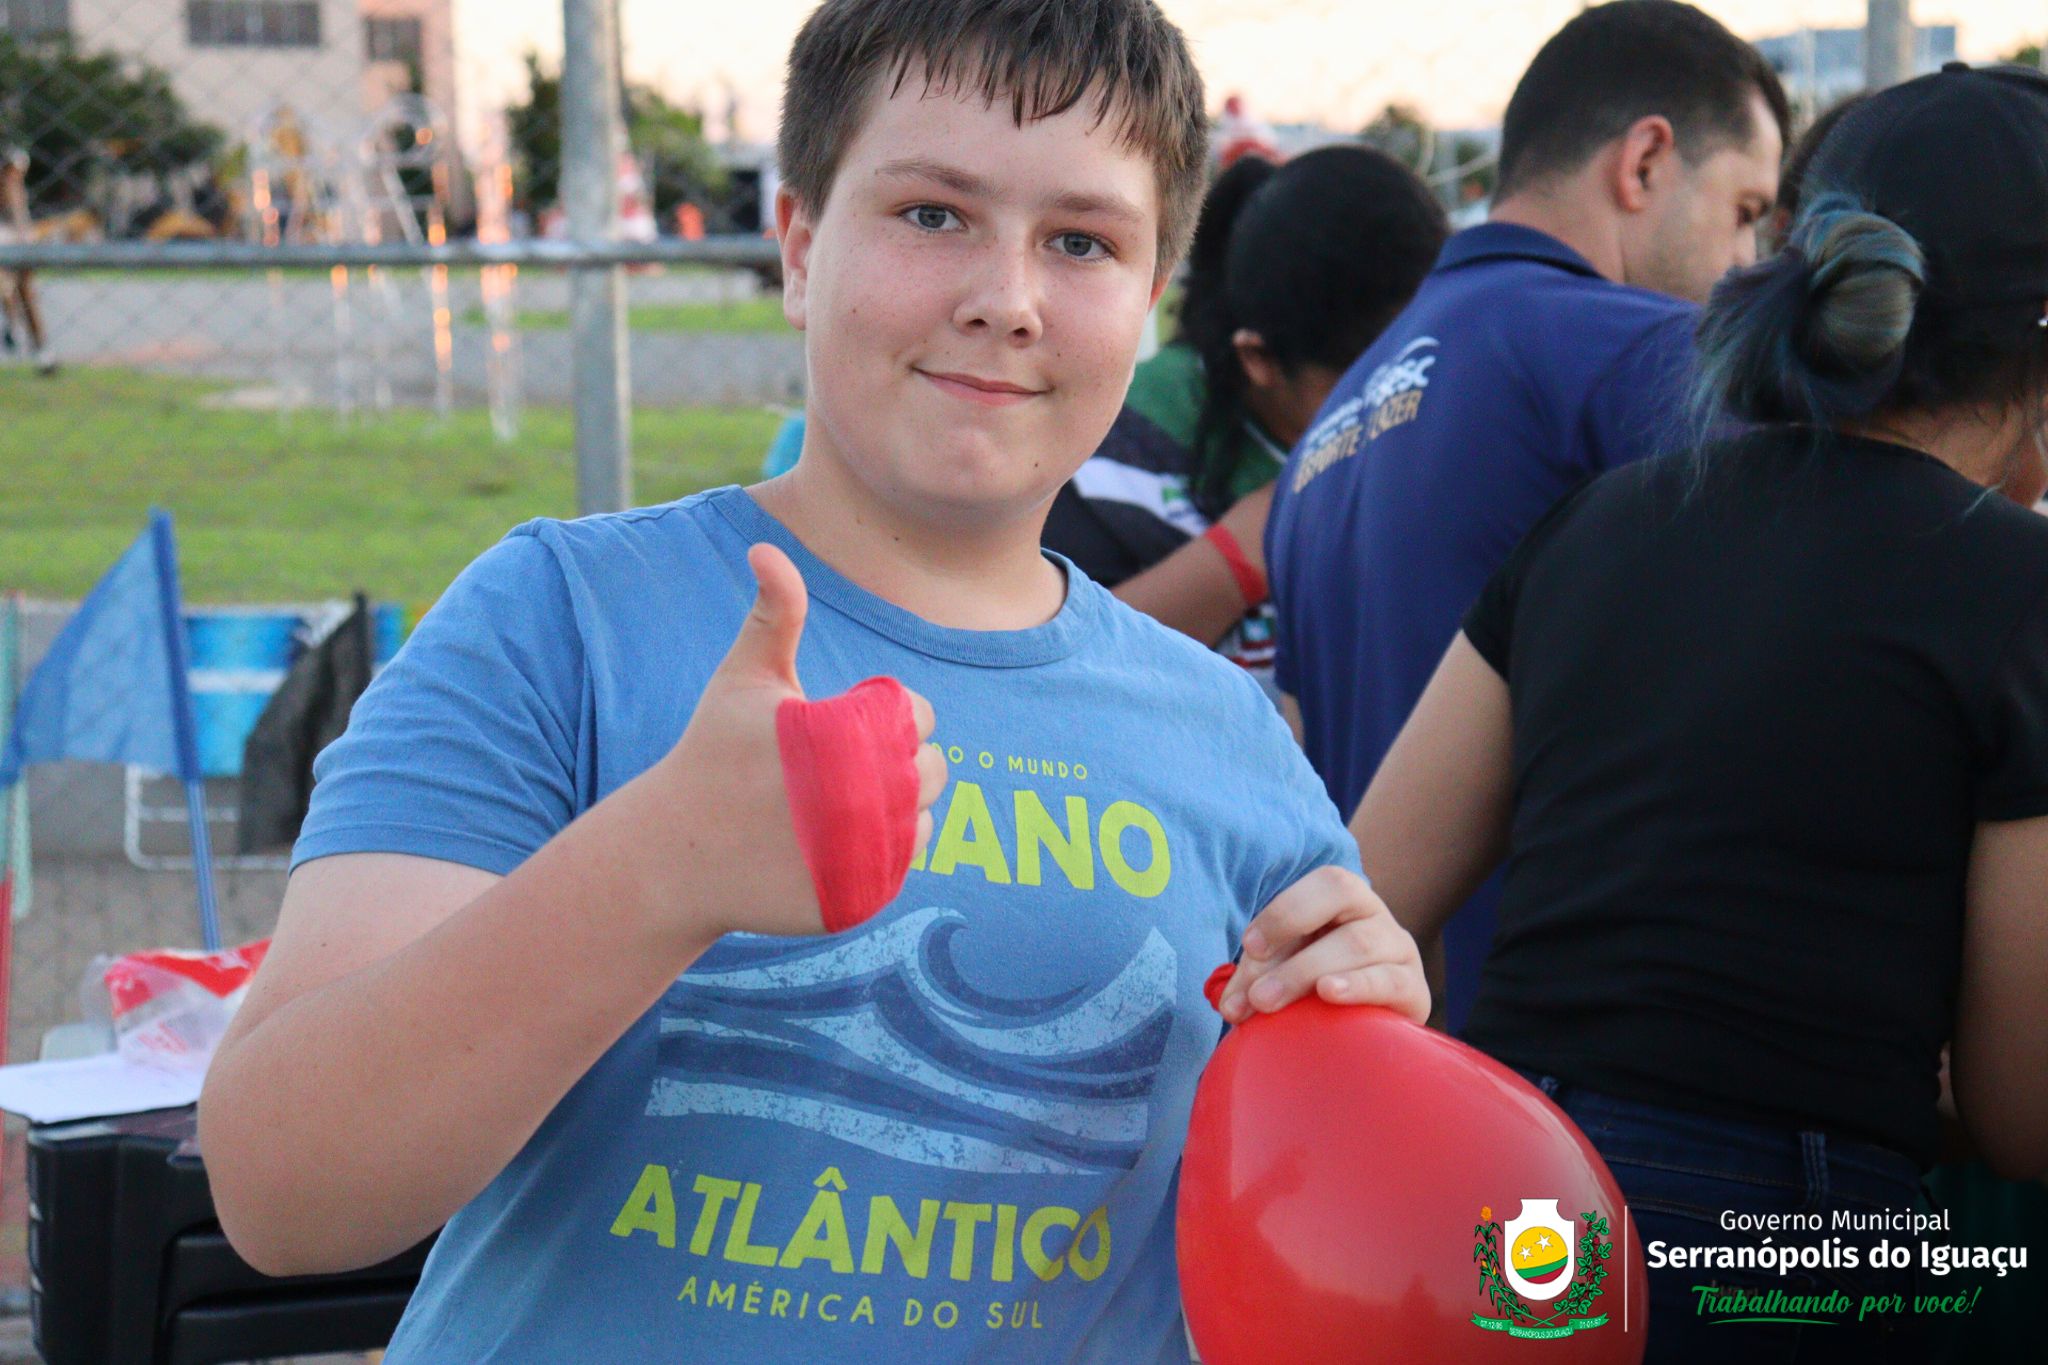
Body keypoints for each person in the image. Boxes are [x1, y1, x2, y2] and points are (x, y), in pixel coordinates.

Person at [196, 2, 1428, 1361]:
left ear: (1149, 302)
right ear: (797, 247)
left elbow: (1310, 1257)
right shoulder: (566, 619)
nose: (1004, 298)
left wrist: (1363, 1064)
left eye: (1081, 242)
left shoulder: (1232, 746)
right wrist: (658, 867)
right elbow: (281, 1188)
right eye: (932, 214)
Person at [1351, 62, 2048, 1362]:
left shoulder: (1599, 524)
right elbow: (2022, 1114)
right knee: (1977, 1286)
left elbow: (1368, 892)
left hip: (1520, 1209)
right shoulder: (2019, 589)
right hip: (1797, 1242)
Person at [1265, 0, 1788, 1029]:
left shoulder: (1321, 438)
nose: (1744, 265)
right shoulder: (1633, 353)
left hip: (1387, 1066)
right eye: (1742, 211)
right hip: (1582, 1076)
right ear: (1643, 162)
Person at [1043, 145, 1447, 696]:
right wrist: (1247, 549)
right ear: (1260, 360)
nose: (1393, 416)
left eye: (1418, 381)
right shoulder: (1121, 440)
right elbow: (1058, 672)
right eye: (1360, 395)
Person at [0, 145, 55, 376]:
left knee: (24, 293)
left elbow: (21, 216)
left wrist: (26, 235)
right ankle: (16, 329)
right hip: (11, 239)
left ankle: (35, 345)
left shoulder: (15, 188)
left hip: (17, 240)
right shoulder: (10, 186)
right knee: (12, 288)